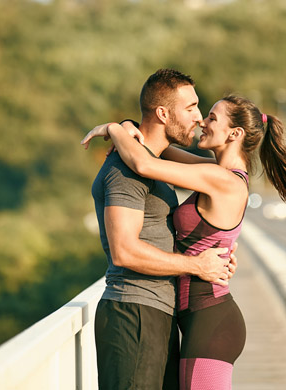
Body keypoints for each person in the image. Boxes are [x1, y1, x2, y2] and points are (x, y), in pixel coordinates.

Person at [82, 93, 286, 389]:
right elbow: (159, 149)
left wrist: (114, 129)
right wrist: (131, 126)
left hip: (211, 320)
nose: (202, 123)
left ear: (235, 134)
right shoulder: (213, 170)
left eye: (212, 118)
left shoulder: (223, 180)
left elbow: (144, 165)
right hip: (197, 318)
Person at [82, 68, 238, 390]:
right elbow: (124, 251)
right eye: (191, 108)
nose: (198, 118)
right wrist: (197, 265)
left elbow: (214, 174)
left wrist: (120, 127)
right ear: (164, 113)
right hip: (134, 312)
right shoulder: (127, 171)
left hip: (158, 313)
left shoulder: (154, 164)